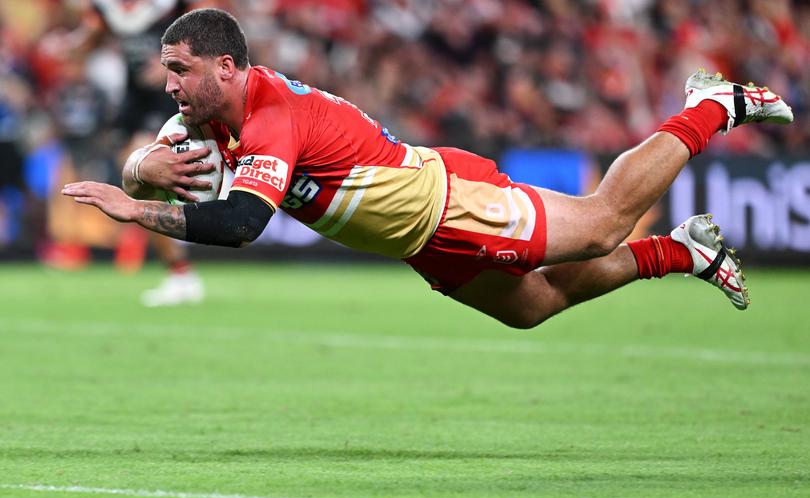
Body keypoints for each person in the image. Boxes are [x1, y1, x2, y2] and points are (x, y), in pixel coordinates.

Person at [62, 8, 794, 328]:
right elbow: (150, 163)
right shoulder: (199, 114)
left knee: (602, 224)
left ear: (227, 67)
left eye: (179, 70)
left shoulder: (270, 115)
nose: (167, 85)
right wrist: (134, 171)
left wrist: (141, 210)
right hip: (418, 240)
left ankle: (710, 107)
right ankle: (687, 250)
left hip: (450, 201)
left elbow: (243, 224)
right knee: (535, 308)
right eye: (165, 71)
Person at [53, 0, 207, 306]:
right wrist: (66, 45)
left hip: (170, 94)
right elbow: (87, 39)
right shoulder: (108, 8)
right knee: (137, 184)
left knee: (142, 167)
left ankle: (181, 266)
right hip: (133, 100)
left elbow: (208, 33)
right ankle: (179, 268)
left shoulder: (171, 6)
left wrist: (173, 64)